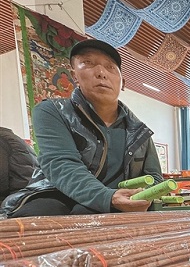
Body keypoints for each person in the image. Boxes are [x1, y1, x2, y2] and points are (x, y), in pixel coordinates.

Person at [2, 39, 163, 217]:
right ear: (74, 76)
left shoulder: (139, 131)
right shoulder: (52, 111)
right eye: (88, 63)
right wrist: (108, 197)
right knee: (37, 217)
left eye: (110, 67)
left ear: (122, 82)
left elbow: (154, 177)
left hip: (115, 204)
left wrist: (142, 195)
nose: (101, 73)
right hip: (57, 195)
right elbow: (62, 165)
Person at [0, 127, 37, 205]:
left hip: (16, 204)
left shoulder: (2, 142)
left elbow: (2, 183)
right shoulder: (8, 138)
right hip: (25, 199)